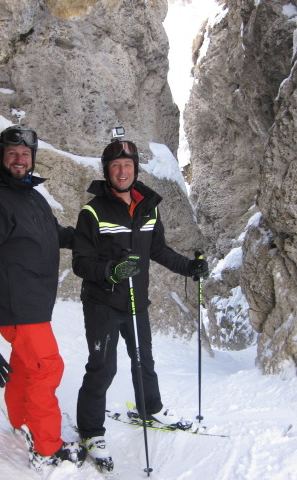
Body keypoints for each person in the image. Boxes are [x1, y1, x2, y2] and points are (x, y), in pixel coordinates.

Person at [71, 135, 209, 471]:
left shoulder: (148, 206)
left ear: (135, 169)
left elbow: (157, 249)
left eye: (127, 165)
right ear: (107, 171)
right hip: (102, 303)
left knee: (142, 359)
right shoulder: (93, 211)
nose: (122, 171)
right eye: (116, 165)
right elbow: (80, 262)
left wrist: (189, 268)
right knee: (103, 367)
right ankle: (91, 431)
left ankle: (150, 408)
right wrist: (112, 271)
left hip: (135, 300)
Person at [0, 125, 85, 471]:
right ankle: (47, 449)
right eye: (13, 154)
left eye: (25, 154)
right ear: (2, 156)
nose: (19, 160)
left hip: (32, 302)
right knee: (46, 368)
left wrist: (83, 238)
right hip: (18, 304)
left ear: (32, 159)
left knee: (26, 366)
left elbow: (50, 233)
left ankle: (20, 422)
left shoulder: (29, 194)